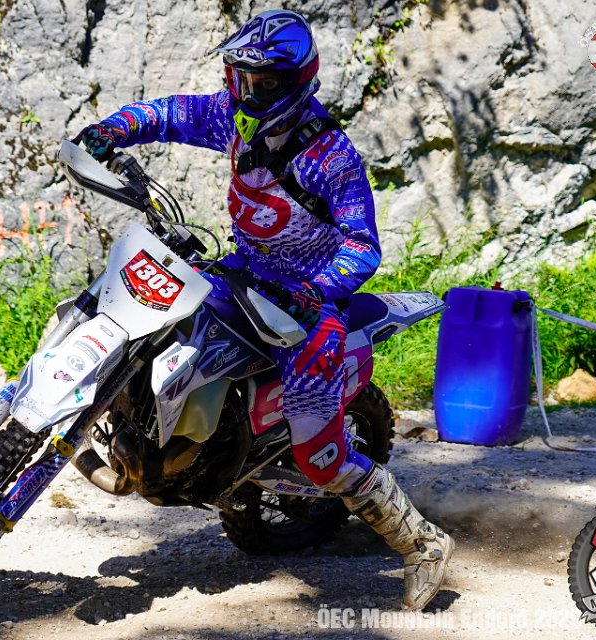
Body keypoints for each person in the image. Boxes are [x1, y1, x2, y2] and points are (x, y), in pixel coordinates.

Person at [77, 9, 453, 611]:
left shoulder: (331, 157)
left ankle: (422, 542)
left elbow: (363, 248)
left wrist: (315, 289)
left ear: (298, 81)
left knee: (319, 455)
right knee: (150, 322)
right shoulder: (232, 117)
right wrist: (113, 128)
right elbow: (171, 113)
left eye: (265, 82)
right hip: (242, 274)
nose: (250, 92)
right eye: (242, 78)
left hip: (308, 306)